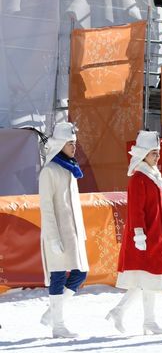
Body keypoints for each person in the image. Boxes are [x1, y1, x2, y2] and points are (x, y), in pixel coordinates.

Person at [106, 131, 162, 335]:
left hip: (154, 234)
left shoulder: (152, 175)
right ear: (143, 153)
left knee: (145, 280)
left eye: (158, 152)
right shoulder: (139, 178)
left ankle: (122, 313)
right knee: (149, 279)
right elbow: (136, 209)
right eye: (154, 153)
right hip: (146, 236)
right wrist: (139, 235)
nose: (157, 156)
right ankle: (148, 321)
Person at [38, 122, 89, 338]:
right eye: (70, 143)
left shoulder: (70, 168)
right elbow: (47, 208)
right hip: (57, 233)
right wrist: (52, 238)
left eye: (75, 143)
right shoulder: (49, 171)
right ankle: (58, 325)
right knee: (58, 276)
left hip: (73, 233)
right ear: (59, 144)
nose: (74, 147)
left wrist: (81, 233)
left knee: (81, 272)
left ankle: (52, 312)